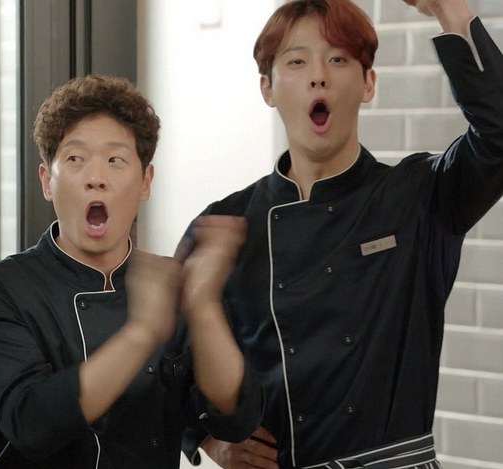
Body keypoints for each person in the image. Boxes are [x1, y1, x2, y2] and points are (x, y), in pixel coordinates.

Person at [179, 0, 503, 467]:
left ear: (368, 83)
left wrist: (448, 9)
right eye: (297, 62)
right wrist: (205, 437)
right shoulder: (225, 225)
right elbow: (166, 356)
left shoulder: (420, 197)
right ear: (267, 88)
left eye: (338, 59)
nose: (318, 76)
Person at [0, 74, 265, 468]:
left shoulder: (174, 285)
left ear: (145, 182)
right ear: (47, 182)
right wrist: (140, 333)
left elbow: (236, 420)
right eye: (75, 159)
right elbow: (32, 423)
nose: (96, 178)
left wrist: (204, 309)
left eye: (115, 160)